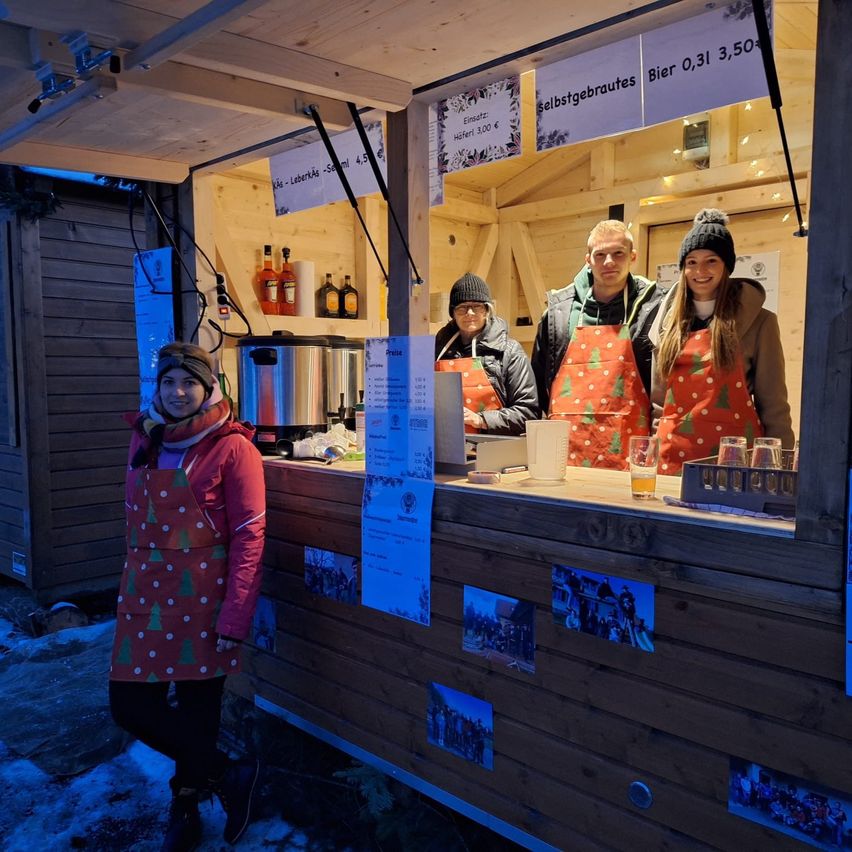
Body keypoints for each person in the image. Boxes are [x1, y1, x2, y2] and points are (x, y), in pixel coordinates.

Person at [108, 342, 266, 852]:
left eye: (189, 383)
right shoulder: (145, 440)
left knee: (200, 710)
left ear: (208, 388)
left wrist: (236, 611)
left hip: (205, 599)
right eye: (169, 382)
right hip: (145, 596)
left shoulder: (234, 448)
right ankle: (229, 774)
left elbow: (250, 533)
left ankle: (186, 801)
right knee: (131, 705)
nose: (178, 393)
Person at [650, 209, 794, 474]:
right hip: (670, 460)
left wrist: (782, 468)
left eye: (711, 261)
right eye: (691, 262)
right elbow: (659, 404)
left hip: (733, 462)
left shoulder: (760, 322)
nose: (700, 271)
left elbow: (774, 406)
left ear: (726, 265)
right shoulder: (665, 323)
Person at [531, 220, 661, 469]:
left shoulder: (652, 308)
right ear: (588, 259)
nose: (609, 262)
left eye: (618, 253)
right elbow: (538, 383)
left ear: (632, 256)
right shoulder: (559, 312)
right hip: (564, 453)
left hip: (630, 451)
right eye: (600, 255)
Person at [435, 272, 539, 435]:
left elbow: (528, 413)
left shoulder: (509, 352)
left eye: (476, 306)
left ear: (487, 310)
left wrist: (481, 420)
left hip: (496, 451)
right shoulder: (437, 352)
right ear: (453, 313)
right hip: (447, 447)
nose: (469, 313)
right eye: (462, 307)